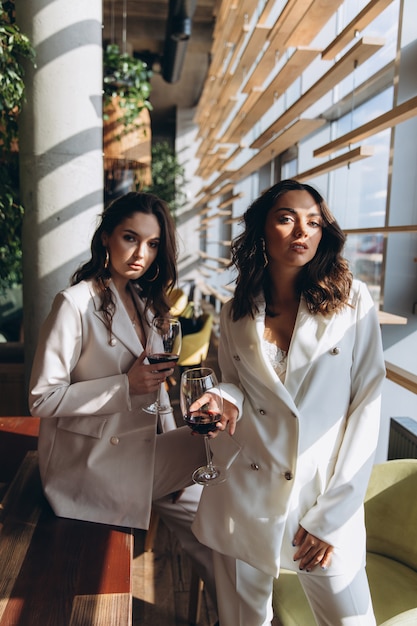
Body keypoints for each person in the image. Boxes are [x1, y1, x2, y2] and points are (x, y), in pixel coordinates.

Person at [191, 179, 386, 625]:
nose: (302, 230)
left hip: (320, 502)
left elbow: (367, 405)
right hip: (247, 495)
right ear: (262, 229)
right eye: (286, 218)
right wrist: (221, 398)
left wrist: (331, 517)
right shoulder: (237, 309)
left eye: (313, 222)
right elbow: (236, 383)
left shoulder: (352, 301)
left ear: (324, 233)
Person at [29, 191, 217, 608]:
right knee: (216, 481)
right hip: (91, 464)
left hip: (139, 450)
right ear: (106, 238)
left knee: (213, 524)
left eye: (152, 244)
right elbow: (41, 399)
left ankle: (235, 611)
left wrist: (170, 434)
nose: (141, 254)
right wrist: (123, 386)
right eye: (130, 238)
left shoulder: (142, 300)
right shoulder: (74, 304)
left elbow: (158, 387)